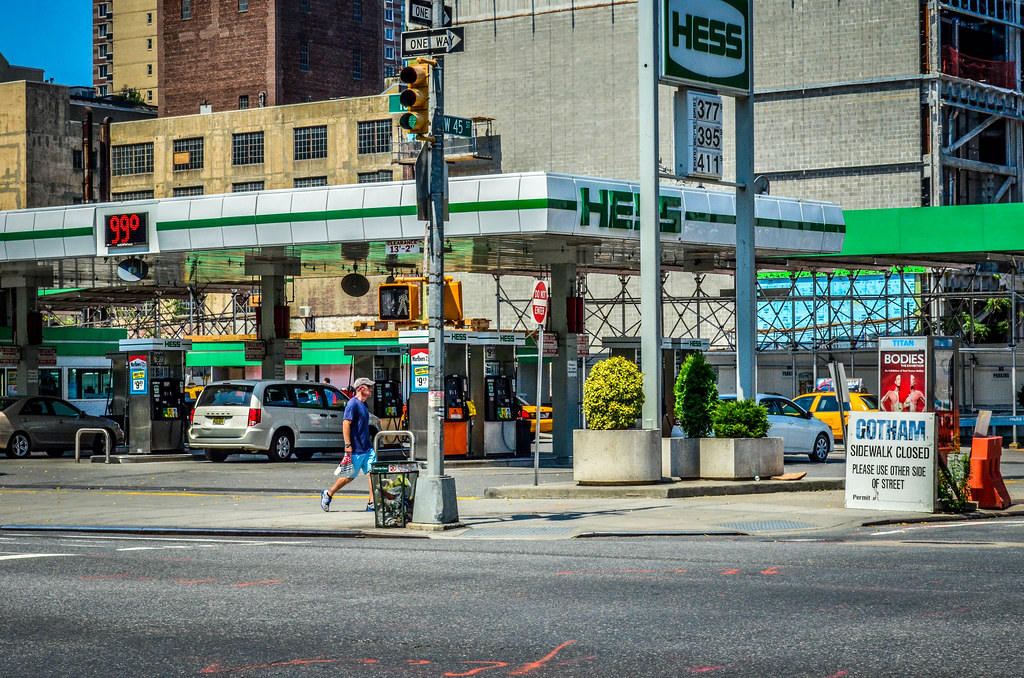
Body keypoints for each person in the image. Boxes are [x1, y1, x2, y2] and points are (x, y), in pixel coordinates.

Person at [320, 377, 376, 512]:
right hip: (356, 449)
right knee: (348, 477)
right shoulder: (353, 404)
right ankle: (328, 494)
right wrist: (347, 445)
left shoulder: (364, 404)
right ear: (360, 388)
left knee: (374, 474)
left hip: (367, 448)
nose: (371, 389)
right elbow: (346, 424)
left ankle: (372, 503)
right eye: (368, 387)